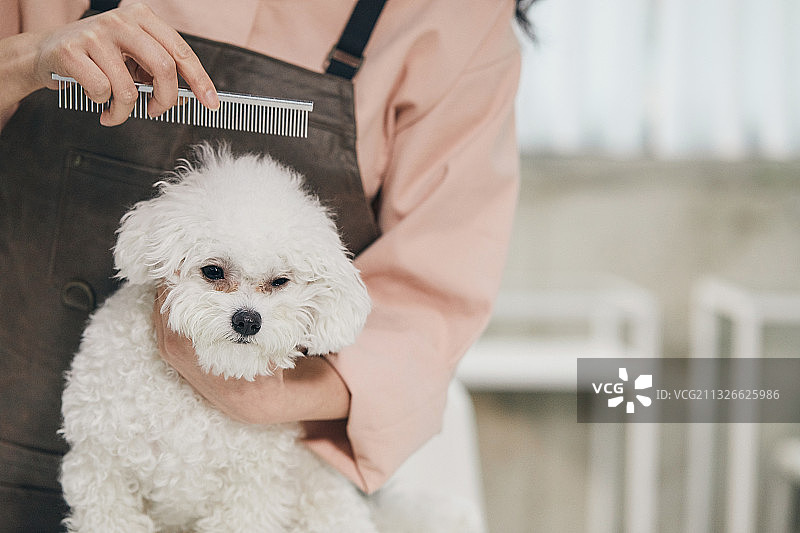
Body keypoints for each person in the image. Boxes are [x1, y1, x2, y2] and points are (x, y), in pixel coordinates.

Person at [0, 0, 529, 529]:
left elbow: (427, 307)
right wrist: (23, 61)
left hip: (252, 477)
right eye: (214, 274)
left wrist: (265, 397)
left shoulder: (460, 18)